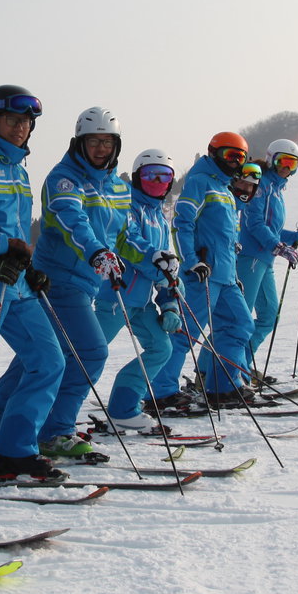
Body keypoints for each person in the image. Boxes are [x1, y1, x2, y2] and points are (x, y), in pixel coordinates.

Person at [0, 87, 67, 482]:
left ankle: (15, 452)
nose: (21, 127)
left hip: (17, 285)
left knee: (49, 360)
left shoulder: (18, 167)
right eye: (12, 119)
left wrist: (31, 266)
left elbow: (18, 229)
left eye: (26, 122)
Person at [15, 106, 131, 462]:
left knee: (35, 359)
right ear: (79, 143)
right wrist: (97, 252)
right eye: (93, 141)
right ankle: (56, 429)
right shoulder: (64, 178)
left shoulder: (117, 187)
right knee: (91, 353)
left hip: (85, 282)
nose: (100, 149)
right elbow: (72, 221)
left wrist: (156, 255)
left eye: (107, 143)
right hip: (59, 280)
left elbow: (125, 234)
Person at [98, 148, 182, 430]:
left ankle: (123, 409)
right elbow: (128, 243)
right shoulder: (127, 205)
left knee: (161, 348)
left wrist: (169, 302)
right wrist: (157, 262)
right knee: (87, 355)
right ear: (137, 177)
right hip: (115, 296)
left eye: (165, 176)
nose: (158, 181)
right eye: (150, 175)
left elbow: (167, 266)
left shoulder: (160, 217)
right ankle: (48, 417)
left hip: (142, 302)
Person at [172, 132, 256, 405]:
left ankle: (222, 386)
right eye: (230, 155)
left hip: (225, 277)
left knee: (240, 324)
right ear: (214, 153)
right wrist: (191, 260)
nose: (235, 162)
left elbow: (225, 236)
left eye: (240, 157)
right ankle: (161, 390)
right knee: (187, 333)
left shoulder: (225, 189)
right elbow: (182, 223)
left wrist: (232, 271)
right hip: (203, 274)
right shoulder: (200, 183)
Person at [236, 139, 298, 372]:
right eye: (283, 161)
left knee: (269, 316)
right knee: (239, 319)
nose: (286, 167)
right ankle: (218, 370)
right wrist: (278, 246)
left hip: (264, 259)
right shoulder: (260, 185)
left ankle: (240, 365)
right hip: (250, 257)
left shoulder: (277, 189)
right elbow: (255, 223)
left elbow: (274, 230)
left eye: (292, 163)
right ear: (272, 159)